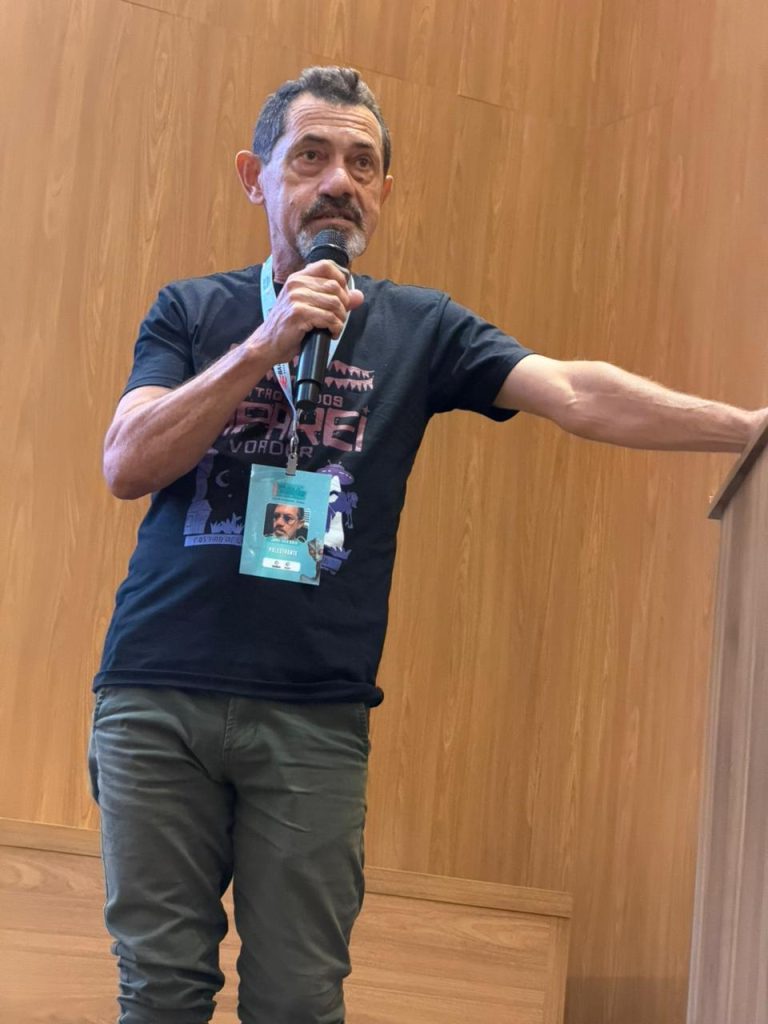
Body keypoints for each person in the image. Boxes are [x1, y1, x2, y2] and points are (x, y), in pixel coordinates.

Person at [90, 65, 765, 1024]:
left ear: (383, 192)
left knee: (300, 1001)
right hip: (159, 694)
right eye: (311, 156)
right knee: (159, 994)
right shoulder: (192, 312)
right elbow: (127, 461)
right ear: (254, 175)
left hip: (315, 714)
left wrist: (749, 428)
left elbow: (575, 391)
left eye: (362, 163)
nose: (340, 181)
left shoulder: (421, 327)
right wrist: (263, 347)